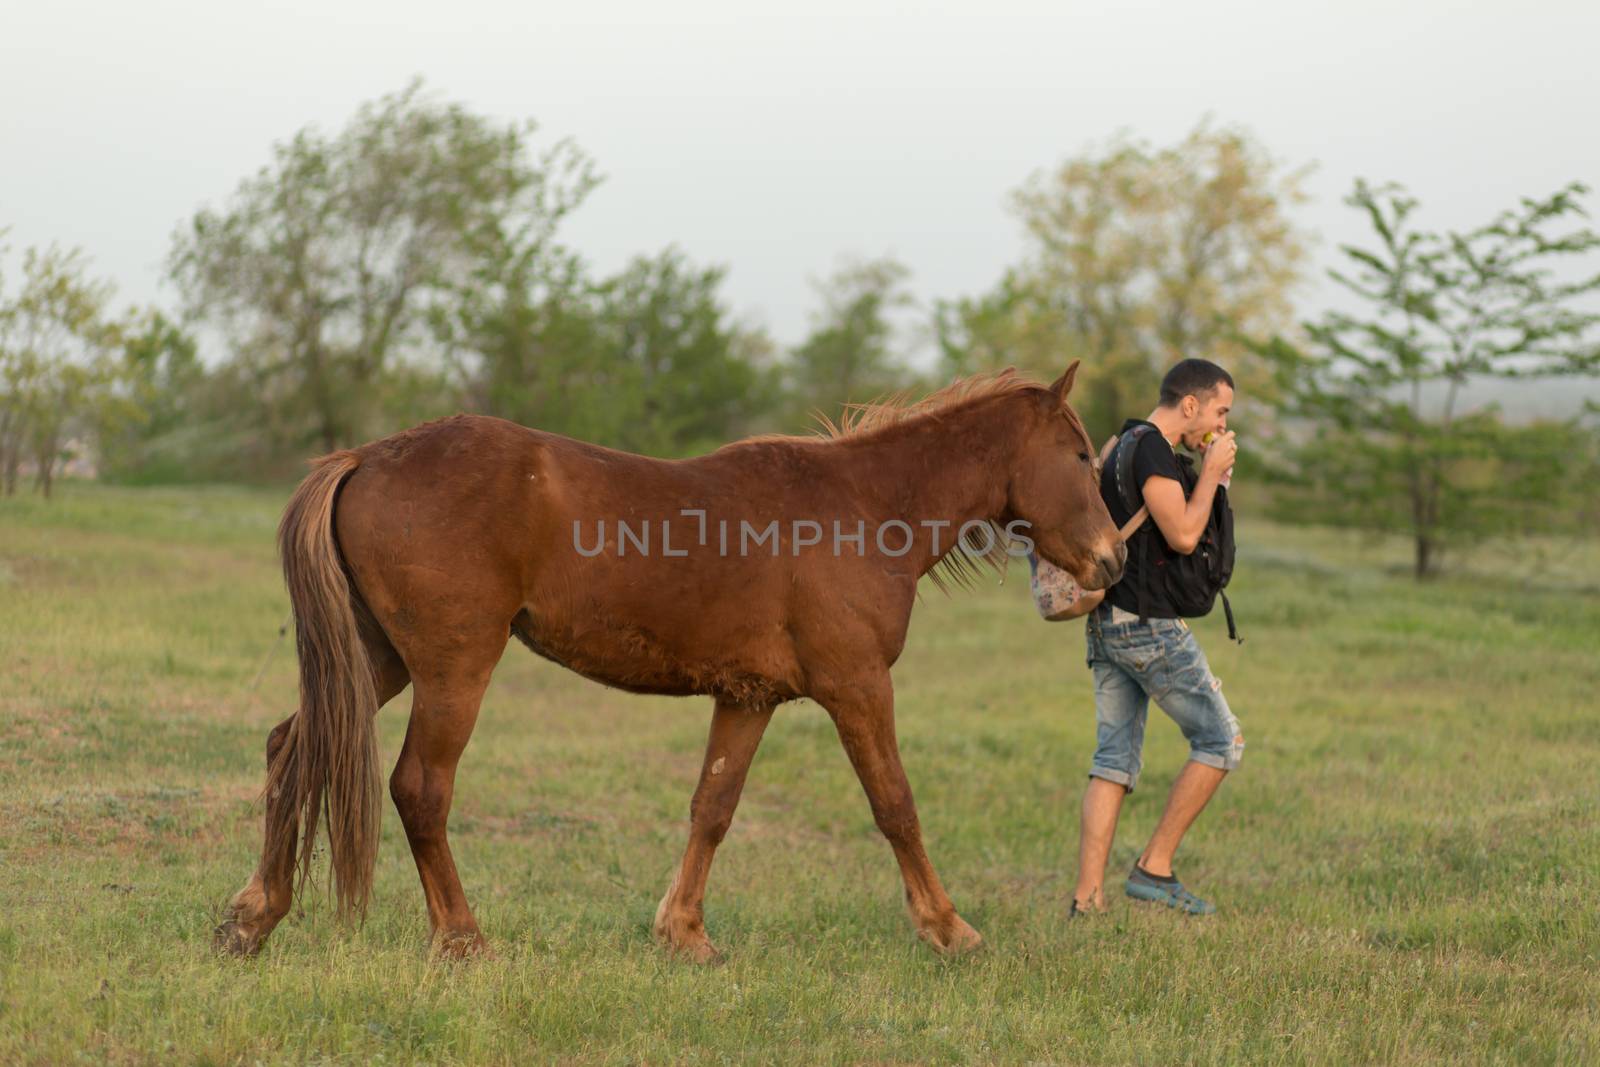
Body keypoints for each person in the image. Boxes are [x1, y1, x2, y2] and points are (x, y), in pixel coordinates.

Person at [1063, 358, 1243, 917]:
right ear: (1189, 405)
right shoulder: (1152, 451)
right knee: (1220, 742)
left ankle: (1086, 901)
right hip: (1150, 627)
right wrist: (1210, 474)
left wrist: (1210, 475)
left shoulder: (1122, 445)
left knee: (1113, 762)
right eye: (1220, 410)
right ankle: (1154, 868)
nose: (1220, 423)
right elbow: (1185, 535)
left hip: (1108, 625)